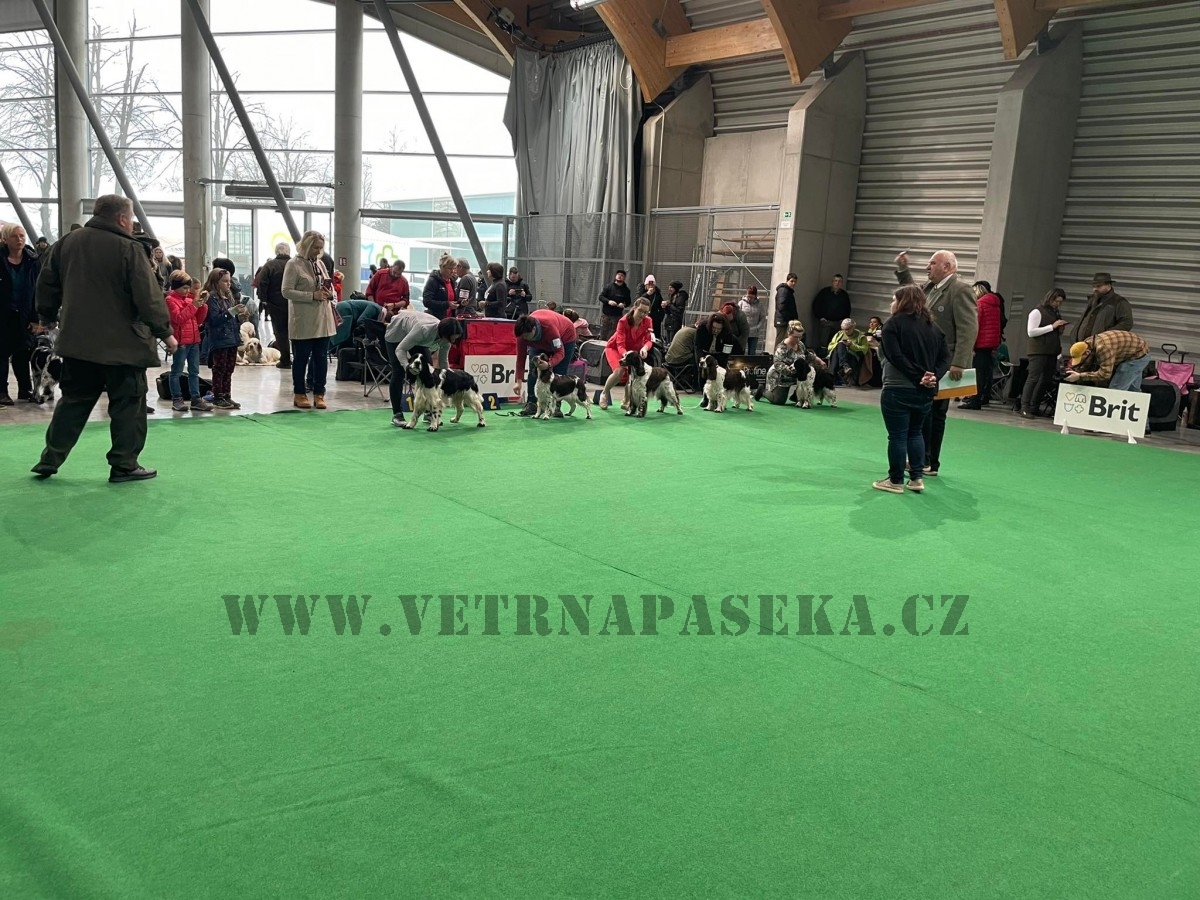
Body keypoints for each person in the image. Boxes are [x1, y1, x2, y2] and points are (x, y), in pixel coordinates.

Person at [31, 195, 177, 482]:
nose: (132, 223)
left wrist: (46, 315)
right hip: (124, 346)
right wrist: (165, 331)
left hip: (78, 343)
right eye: (131, 218)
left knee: (73, 402)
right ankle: (124, 464)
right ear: (122, 219)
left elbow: (46, 284)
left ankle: (50, 458)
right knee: (128, 405)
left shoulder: (66, 243)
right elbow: (147, 296)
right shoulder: (129, 248)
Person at [894, 250, 978, 477]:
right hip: (927, 361)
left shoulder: (960, 290)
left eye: (932, 263)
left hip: (946, 362)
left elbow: (968, 328)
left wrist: (959, 363)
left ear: (947, 266)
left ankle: (929, 461)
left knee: (935, 413)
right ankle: (922, 459)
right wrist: (903, 270)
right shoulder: (930, 288)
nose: (927, 267)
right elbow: (910, 294)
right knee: (924, 411)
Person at [872, 284, 950, 495]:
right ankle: (916, 478)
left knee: (897, 436)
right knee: (916, 433)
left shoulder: (892, 325)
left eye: (894, 299)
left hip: (897, 388)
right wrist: (932, 376)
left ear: (902, 302)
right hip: (925, 392)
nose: (891, 303)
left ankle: (895, 480)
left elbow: (894, 356)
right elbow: (945, 358)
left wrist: (918, 376)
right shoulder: (934, 327)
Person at [282, 230, 337, 410]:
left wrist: (330, 294)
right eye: (315, 248)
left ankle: (319, 393)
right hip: (303, 321)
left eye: (320, 248)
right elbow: (286, 291)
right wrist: (311, 295)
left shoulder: (320, 264)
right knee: (301, 359)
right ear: (306, 246)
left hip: (323, 320)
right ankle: (299, 393)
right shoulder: (293, 264)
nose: (318, 251)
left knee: (321, 359)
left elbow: (329, 285)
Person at [383, 309, 458, 427]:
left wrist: (450, 378)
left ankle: (428, 412)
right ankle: (397, 414)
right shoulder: (423, 330)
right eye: (452, 338)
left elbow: (443, 362)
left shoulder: (447, 340)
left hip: (416, 336)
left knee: (428, 371)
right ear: (444, 334)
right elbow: (400, 349)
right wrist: (407, 367)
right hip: (397, 333)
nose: (454, 341)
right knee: (398, 372)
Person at [0, 224, 43, 405]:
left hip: (25, 313)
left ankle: (25, 388)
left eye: (22, 236)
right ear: (5, 239)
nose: (19, 239)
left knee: (23, 352)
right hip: (3, 313)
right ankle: (2, 391)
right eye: (14, 236)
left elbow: (38, 291)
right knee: (2, 353)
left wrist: (37, 319)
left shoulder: (33, 261)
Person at [514, 309, 578, 417]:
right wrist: (518, 381)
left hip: (565, 337)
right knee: (534, 370)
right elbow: (521, 358)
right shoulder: (522, 335)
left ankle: (556, 405)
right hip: (539, 343)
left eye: (526, 336)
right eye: (522, 336)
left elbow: (560, 352)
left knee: (559, 372)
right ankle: (532, 403)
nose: (524, 338)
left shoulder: (549, 329)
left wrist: (549, 364)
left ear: (533, 329)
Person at [164, 271, 211, 412]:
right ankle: (177, 399)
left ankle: (196, 399)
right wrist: (194, 306)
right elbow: (178, 319)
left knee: (194, 372)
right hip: (180, 342)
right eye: (184, 288)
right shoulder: (170, 300)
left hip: (194, 340)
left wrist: (202, 306)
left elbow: (199, 320)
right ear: (176, 287)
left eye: (188, 288)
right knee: (176, 371)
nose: (187, 290)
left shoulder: (189, 300)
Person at [1019, 288, 1069, 419]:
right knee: (1033, 378)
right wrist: (1052, 326)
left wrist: (1059, 328)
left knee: (1046, 379)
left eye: (1060, 302)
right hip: (1038, 351)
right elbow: (1031, 332)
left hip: (1052, 351)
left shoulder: (1055, 312)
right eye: (1056, 301)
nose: (1058, 304)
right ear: (1050, 298)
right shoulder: (1037, 312)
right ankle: (1024, 407)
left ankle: (1034, 407)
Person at [598, 298, 653, 412]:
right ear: (634, 308)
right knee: (620, 371)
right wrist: (626, 355)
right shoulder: (623, 321)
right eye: (640, 311)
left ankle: (626, 401)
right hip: (615, 348)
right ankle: (604, 393)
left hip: (634, 350)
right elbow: (620, 344)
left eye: (646, 312)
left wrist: (645, 348)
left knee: (633, 375)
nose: (643, 315)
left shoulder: (648, 321)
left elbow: (649, 340)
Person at [202, 267, 244, 410]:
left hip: (231, 338)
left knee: (229, 368)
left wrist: (239, 317)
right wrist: (231, 312)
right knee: (219, 368)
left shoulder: (228, 298)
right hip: (219, 339)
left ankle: (226, 395)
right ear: (216, 282)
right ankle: (218, 396)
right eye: (225, 281)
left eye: (229, 281)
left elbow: (231, 319)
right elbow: (214, 320)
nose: (228, 284)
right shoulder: (212, 298)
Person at [961, 281, 1003, 410]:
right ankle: (982, 397)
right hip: (989, 344)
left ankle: (974, 401)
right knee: (985, 373)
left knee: (977, 374)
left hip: (980, 344)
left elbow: (975, 326)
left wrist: (971, 346)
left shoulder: (980, 304)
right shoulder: (995, 305)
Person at [1064, 330, 1151, 392]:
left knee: (1116, 390)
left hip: (1138, 355)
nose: (1080, 361)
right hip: (1134, 348)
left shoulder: (1103, 348)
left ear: (1087, 352)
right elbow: (1089, 360)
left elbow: (1105, 374)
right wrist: (1076, 370)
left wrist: (1080, 376)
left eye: (1080, 358)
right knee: (1133, 390)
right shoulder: (1087, 342)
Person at [257, 242, 292, 368]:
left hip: (276, 304)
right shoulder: (295, 264)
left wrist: (264, 300)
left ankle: (285, 360)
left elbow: (262, 283)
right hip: (295, 303)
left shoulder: (270, 265)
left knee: (280, 332)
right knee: (296, 332)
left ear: (276, 251)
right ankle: (298, 358)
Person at [1071, 273, 1133, 344]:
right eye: (1093, 286)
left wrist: (1104, 337)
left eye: (1098, 286)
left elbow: (1126, 323)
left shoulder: (1118, 302)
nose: (1095, 289)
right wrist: (1074, 336)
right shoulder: (1093, 300)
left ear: (1108, 285)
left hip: (1102, 346)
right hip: (1083, 345)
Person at [764, 321, 808, 406]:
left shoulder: (801, 345)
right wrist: (791, 370)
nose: (798, 340)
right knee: (778, 401)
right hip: (780, 376)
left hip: (796, 375)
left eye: (800, 337)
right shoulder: (781, 348)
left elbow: (807, 354)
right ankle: (763, 391)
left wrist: (819, 361)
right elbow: (777, 364)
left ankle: (796, 395)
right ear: (789, 334)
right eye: (795, 337)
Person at [826, 318, 870, 386]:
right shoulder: (839, 334)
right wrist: (839, 344)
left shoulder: (861, 336)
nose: (846, 331)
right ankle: (845, 366)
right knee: (840, 345)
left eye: (848, 329)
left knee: (837, 353)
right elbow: (830, 347)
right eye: (844, 329)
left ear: (853, 327)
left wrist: (851, 345)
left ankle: (832, 376)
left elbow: (864, 349)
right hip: (838, 355)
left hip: (852, 355)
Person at [813, 275, 852, 349]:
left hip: (838, 323)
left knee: (835, 342)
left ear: (842, 283)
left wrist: (844, 320)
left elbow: (847, 308)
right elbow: (816, 304)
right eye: (835, 281)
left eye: (839, 281)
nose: (837, 283)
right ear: (832, 282)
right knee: (823, 342)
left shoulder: (844, 295)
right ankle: (822, 353)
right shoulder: (825, 292)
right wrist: (820, 317)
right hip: (826, 322)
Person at [598, 269, 632, 340]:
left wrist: (623, 305)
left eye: (622, 275)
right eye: (618, 275)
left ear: (624, 278)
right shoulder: (609, 286)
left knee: (614, 335)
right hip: (606, 316)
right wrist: (608, 301)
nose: (620, 276)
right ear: (615, 276)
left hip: (617, 316)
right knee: (603, 334)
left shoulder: (626, 290)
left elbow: (628, 302)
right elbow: (601, 297)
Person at [422, 253, 457, 320]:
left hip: (449, 319)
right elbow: (427, 302)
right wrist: (447, 304)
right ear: (442, 267)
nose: (452, 271)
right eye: (450, 268)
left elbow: (453, 301)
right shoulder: (433, 281)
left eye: (454, 268)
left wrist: (461, 303)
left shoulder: (452, 281)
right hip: (436, 319)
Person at [773, 274, 798, 346]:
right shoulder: (784, 290)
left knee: (784, 342)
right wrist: (789, 319)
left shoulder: (787, 291)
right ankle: (777, 353)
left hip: (784, 321)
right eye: (791, 281)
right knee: (781, 341)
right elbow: (781, 306)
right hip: (783, 321)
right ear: (787, 280)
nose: (793, 283)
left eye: (795, 282)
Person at [738, 286, 763, 355]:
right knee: (740, 351)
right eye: (748, 296)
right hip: (743, 332)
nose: (749, 298)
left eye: (751, 297)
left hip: (754, 333)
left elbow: (762, 317)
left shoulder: (759, 305)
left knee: (752, 353)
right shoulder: (741, 303)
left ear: (755, 296)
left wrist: (758, 327)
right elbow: (737, 315)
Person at [665, 281, 688, 345]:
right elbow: (668, 312)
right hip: (669, 322)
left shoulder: (680, 297)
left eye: (671, 287)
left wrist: (669, 305)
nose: (669, 289)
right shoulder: (671, 296)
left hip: (675, 323)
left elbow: (678, 311)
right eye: (669, 287)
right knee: (668, 342)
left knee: (672, 342)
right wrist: (665, 307)